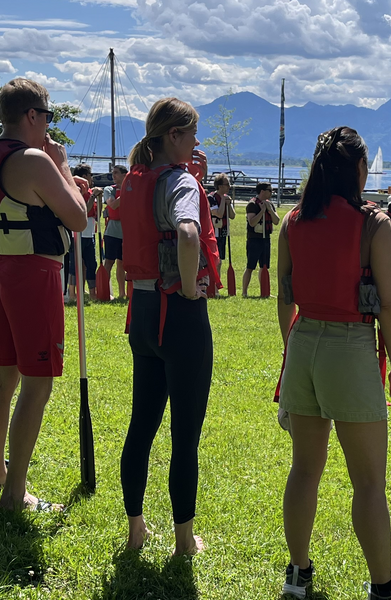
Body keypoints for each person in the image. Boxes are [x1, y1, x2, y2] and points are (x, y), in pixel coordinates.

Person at [276, 126, 391, 600]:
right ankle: (382, 590)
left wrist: (292, 351)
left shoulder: (292, 220)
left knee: (304, 470)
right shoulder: (374, 225)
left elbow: (284, 297)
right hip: (351, 347)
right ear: (359, 169)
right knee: (368, 482)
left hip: (304, 343)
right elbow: (388, 302)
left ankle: (297, 574)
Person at [0, 78, 88, 511]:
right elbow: (77, 218)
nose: (49, 130)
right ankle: (16, 493)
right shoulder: (35, 159)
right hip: (32, 274)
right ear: (32, 116)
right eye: (47, 118)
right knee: (37, 384)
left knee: (3, 376)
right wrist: (63, 166)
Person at [119, 97, 219, 555]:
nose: (197, 142)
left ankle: (136, 528)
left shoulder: (134, 179)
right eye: (192, 133)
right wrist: (186, 286)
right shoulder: (179, 180)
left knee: (141, 425)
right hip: (176, 314)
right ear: (173, 136)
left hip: (140, 314)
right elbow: (187, 232)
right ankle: (183, 540)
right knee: (186, 433)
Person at [66, 163, 97, 302]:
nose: (92, 178)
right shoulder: (78, 191)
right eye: (90, 175)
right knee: (75, 264)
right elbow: (84, 209)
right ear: (84, 176)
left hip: (89, 233)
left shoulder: (90, 192)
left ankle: (92, 293)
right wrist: (92, 197)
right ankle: (72, 293)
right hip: (78, 234)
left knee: (91, 264)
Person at [243, 182, 279, 297]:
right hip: (254, 239)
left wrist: (269, 210)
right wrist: (262, 211)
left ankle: (264, 291)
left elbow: (277, 221)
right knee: (250, 266)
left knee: (264, 267)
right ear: (262, 191)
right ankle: (244, 292)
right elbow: (252, 222)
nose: (271, 193)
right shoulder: (252, 204)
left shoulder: (270, 204)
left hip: (266, 239)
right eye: (269, 190)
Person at [102, 164, 128, 300]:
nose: (114, 176)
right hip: (112, 231)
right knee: (109, 262)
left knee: (122, 263)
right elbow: (112, 204)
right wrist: (127, 191)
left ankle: (122, 293)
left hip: (127, 231)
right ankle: (104, 292)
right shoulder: (108, 189)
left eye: (117, 173)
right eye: (113, 173)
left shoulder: (131, 189)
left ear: (125, 175)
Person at [209, 173, 235, 261]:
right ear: (220, 186)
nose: (229, 186)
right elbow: (218, 214)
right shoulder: (211, 198)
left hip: (223, 232)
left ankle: (218, 275)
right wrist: (223, 200)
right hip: (214, 232)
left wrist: (228, 204)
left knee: (220, 260)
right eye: (227, 184)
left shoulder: (227, 198)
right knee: (215, 260)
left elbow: (232, 216)